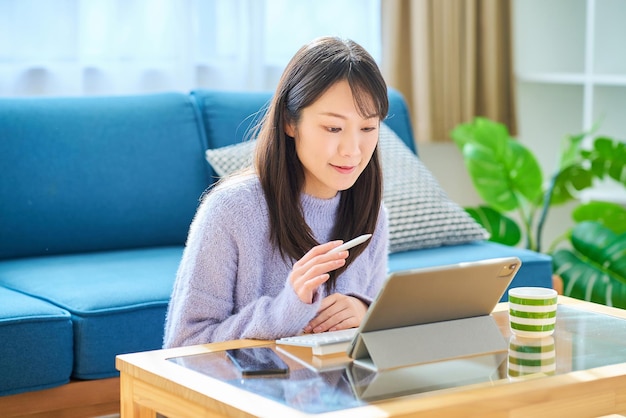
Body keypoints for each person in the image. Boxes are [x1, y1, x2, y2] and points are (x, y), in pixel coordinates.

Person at [163, 36, 389, 348]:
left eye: (367, 128)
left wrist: (364, 312)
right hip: (247, 394)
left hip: (340, 391)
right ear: (289, 122)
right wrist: (286, 310)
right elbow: (184, 345)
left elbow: (372, 342)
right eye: (333, 128)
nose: (352, 151)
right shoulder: (230, 210)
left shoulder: (374, 216)